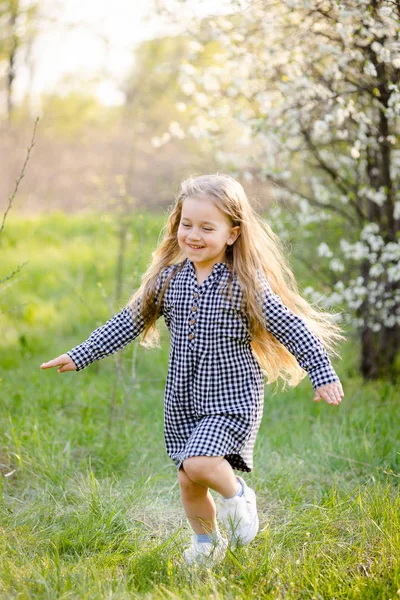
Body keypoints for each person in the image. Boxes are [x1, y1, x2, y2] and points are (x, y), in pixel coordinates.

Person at [41, 173, 345, 566]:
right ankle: (205, 544)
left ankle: (239, 498)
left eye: (207, 227)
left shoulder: (245, 285)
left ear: (232, 234)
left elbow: (290, 325)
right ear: (176, 225)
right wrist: (80, 354)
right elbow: (127, 322)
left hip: (231, 399)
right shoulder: (169, 281)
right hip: (184, 402)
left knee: (200, 463)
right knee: (189, 478)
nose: (194, 235)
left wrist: (321, 372)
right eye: (187, 224)